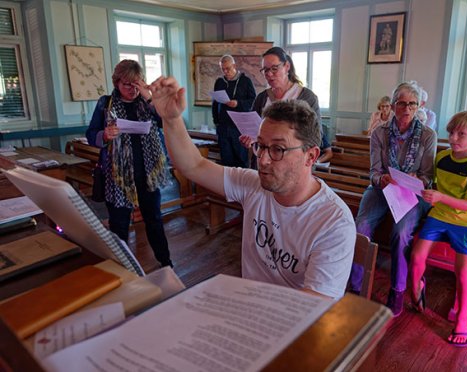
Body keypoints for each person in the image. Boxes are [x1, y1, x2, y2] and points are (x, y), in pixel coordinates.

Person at [149, 76, 356, 299]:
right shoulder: (254, 184)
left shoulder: (333, 222)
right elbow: (194, 165)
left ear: (311, 156)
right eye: (261, 146)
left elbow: (314, 306)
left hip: (290, 323)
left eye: (278, 149)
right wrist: (171, 119)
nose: (263, 160)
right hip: (248, 305)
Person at [352, 81, 436, 316]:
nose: (406, 108)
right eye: (401, 103)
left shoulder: (428, 135)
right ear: (394, 105)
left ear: (419, 105)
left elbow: (428, 176)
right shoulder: (380, 132)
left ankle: (397, 290)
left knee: (400, 233)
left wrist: (414, 178)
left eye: (412, 103)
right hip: (382, 190)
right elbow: (374, 172)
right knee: (362, 227)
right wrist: (382, 180)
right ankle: (356, 286)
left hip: (411, 193)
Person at [410, 110, 467, 347]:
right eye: (451, 132)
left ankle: (463, 318)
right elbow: (433, 184)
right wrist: (420, 182)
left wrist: (440, 196)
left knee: (463, 270)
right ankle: (417, 291)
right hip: (439, 215)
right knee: (416, 255)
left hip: (466, 220)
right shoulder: (442, 157)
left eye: (461, 134)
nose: (454, 138)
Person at [86, 60, 172, 267]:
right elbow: (90, 134)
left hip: (148, 174)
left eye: (136, 84)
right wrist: (104, 135)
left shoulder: (148, 103)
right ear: (116, 83)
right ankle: (121, 267)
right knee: (119, 224)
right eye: (127, 85)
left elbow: (168, 122)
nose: (132, 89)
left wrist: (150, 98)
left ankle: (166, 262)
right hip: (118, 177)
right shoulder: (105, 104)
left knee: (154, 220)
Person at [240, 47, 332, 164]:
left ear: (287, 66)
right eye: (265, 70)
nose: (269, 74)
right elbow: (254, 131)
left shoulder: (307, 97)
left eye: (274, 69)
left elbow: (316, 135)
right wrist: (249, 140)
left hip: (292, 162)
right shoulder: (262, 98)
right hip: (265, 160)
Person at [211, 55, 256, 167]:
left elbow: (253, 101)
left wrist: (238, 103)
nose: (225, 71)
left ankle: (241, 184)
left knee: (241, 161)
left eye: (228, 68)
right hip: (223, 128)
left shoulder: (245, 81)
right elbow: (215, 103)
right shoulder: (219, 82)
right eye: (223, 69)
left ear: (234, 66)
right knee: (226, 162)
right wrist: (216, 122)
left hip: (239, 129)